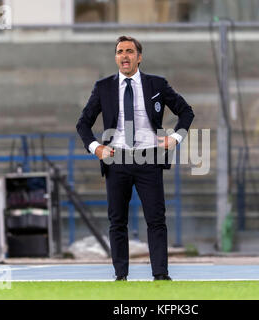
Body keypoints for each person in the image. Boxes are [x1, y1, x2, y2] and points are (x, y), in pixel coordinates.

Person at [76, 36, 194, 281]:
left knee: (156, 219)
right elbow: (83, 124)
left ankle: (160, 275)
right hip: (116, 159)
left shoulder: (157, 85)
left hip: (148, 159)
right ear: (116, 57)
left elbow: (186, 111)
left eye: (130, 51)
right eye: (120, 52)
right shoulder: (103, 87)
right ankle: (121, 275)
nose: (125, 56)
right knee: (117, 221)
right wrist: (96, 147)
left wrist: (176, 138)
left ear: (139, 57)